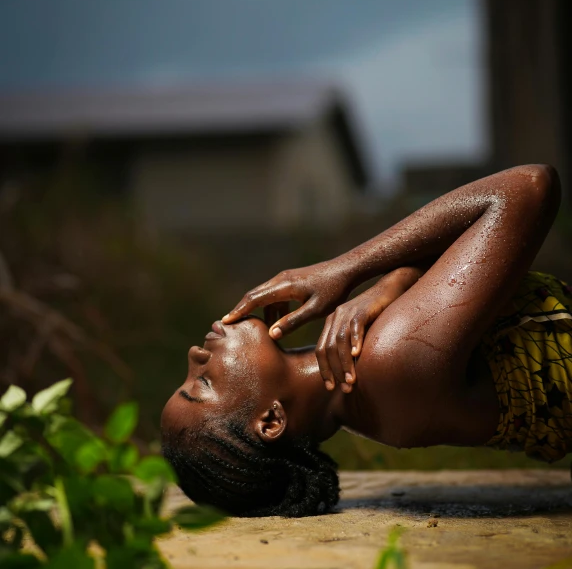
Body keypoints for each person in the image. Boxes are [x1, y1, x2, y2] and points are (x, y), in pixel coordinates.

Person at [161, 164, 572, 517]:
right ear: (271, 420)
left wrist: (393, 283)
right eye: (202, 384)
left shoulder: (368, 396)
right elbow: (529, 188)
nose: (195, 354)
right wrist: (347, 268)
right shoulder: (387, 365)